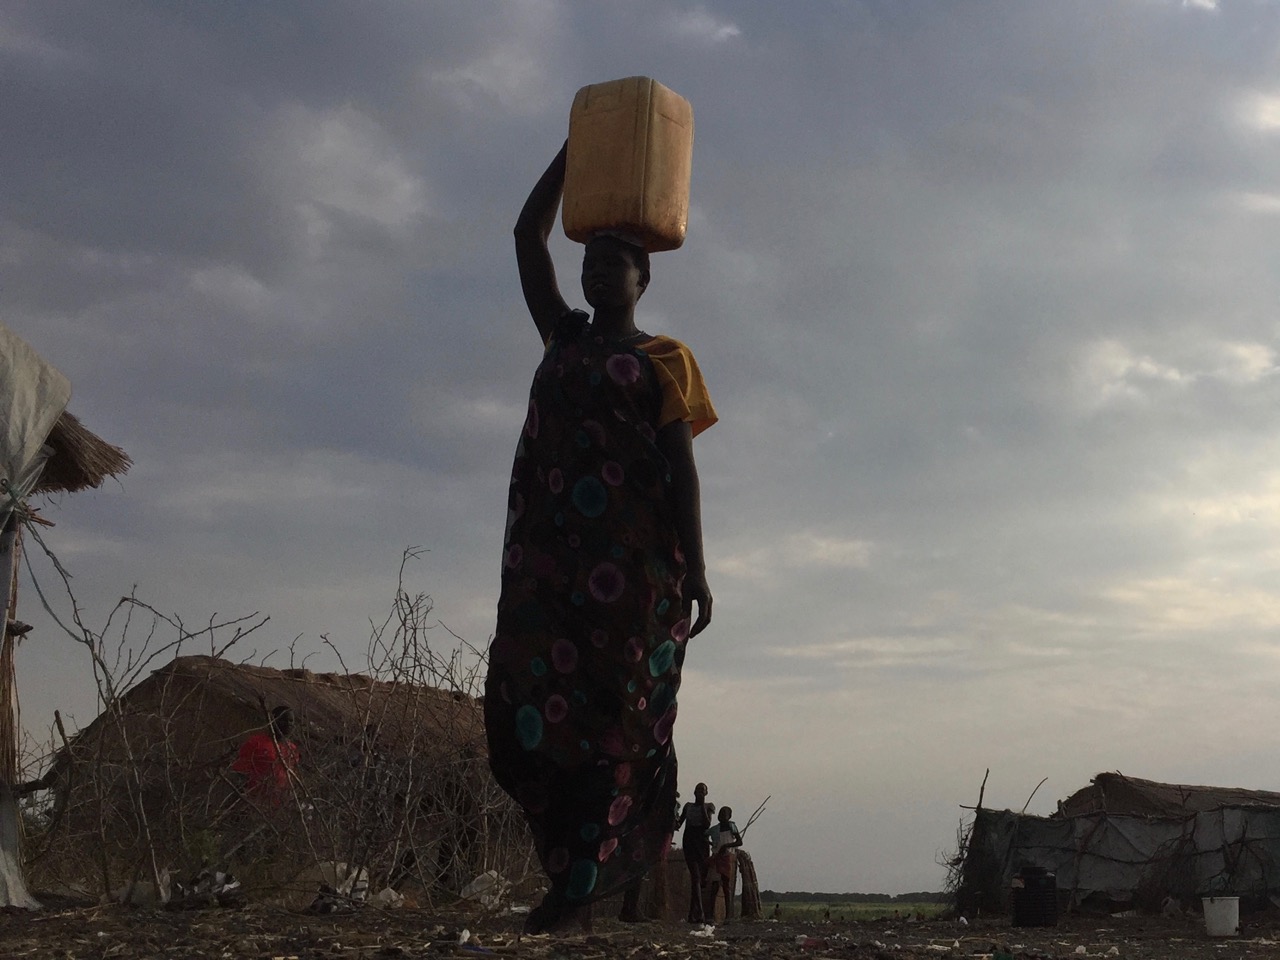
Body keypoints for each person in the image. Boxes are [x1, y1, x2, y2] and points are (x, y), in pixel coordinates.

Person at [484, 142, 717, 934]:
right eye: (588, 260)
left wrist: (699, 571)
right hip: (550, 570)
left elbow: (681, 470)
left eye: (614, 263)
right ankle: (569, 876)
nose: (595, 272)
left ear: (643, 281)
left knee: (617, 723)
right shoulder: (564, 337)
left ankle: (579, 890)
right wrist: (573, 155)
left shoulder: (665, 360)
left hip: (636, 575)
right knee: (535, 713)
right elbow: (525, 236)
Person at [231, 705, 299, 809]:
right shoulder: (256, 742)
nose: (288, 724)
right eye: (283, 720)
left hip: (273, 807)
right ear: (273, 720)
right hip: (250, 801)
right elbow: (239, 771)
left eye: (291, 721)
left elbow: (289, 780)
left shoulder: (292, 750)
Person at [674, 782, 715, 922]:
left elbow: (707, 824)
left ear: (706, 793)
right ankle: (701, 913)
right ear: (694, 792)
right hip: (690, 841)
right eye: (698, 790)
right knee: (695, 877)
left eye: (702, 791)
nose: (700, 793)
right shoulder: (688, 806)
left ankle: (692, 914)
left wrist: (703, 806)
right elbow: (679, 823)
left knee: (699, 880)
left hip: (702, 843)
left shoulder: (709, 807)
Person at [707, 805, 743, 919]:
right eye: (720, 813)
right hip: (717, 857)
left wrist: (726, 846)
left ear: (729, 816)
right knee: (714, 886)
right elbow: (704, 836)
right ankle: (710, 915)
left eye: (724, 814)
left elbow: (739, 842)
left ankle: (728, 916)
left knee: (726, 887)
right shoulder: (714, 829)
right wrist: (713, 845)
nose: (721, 816)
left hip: (727, 857)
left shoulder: (732, 826)